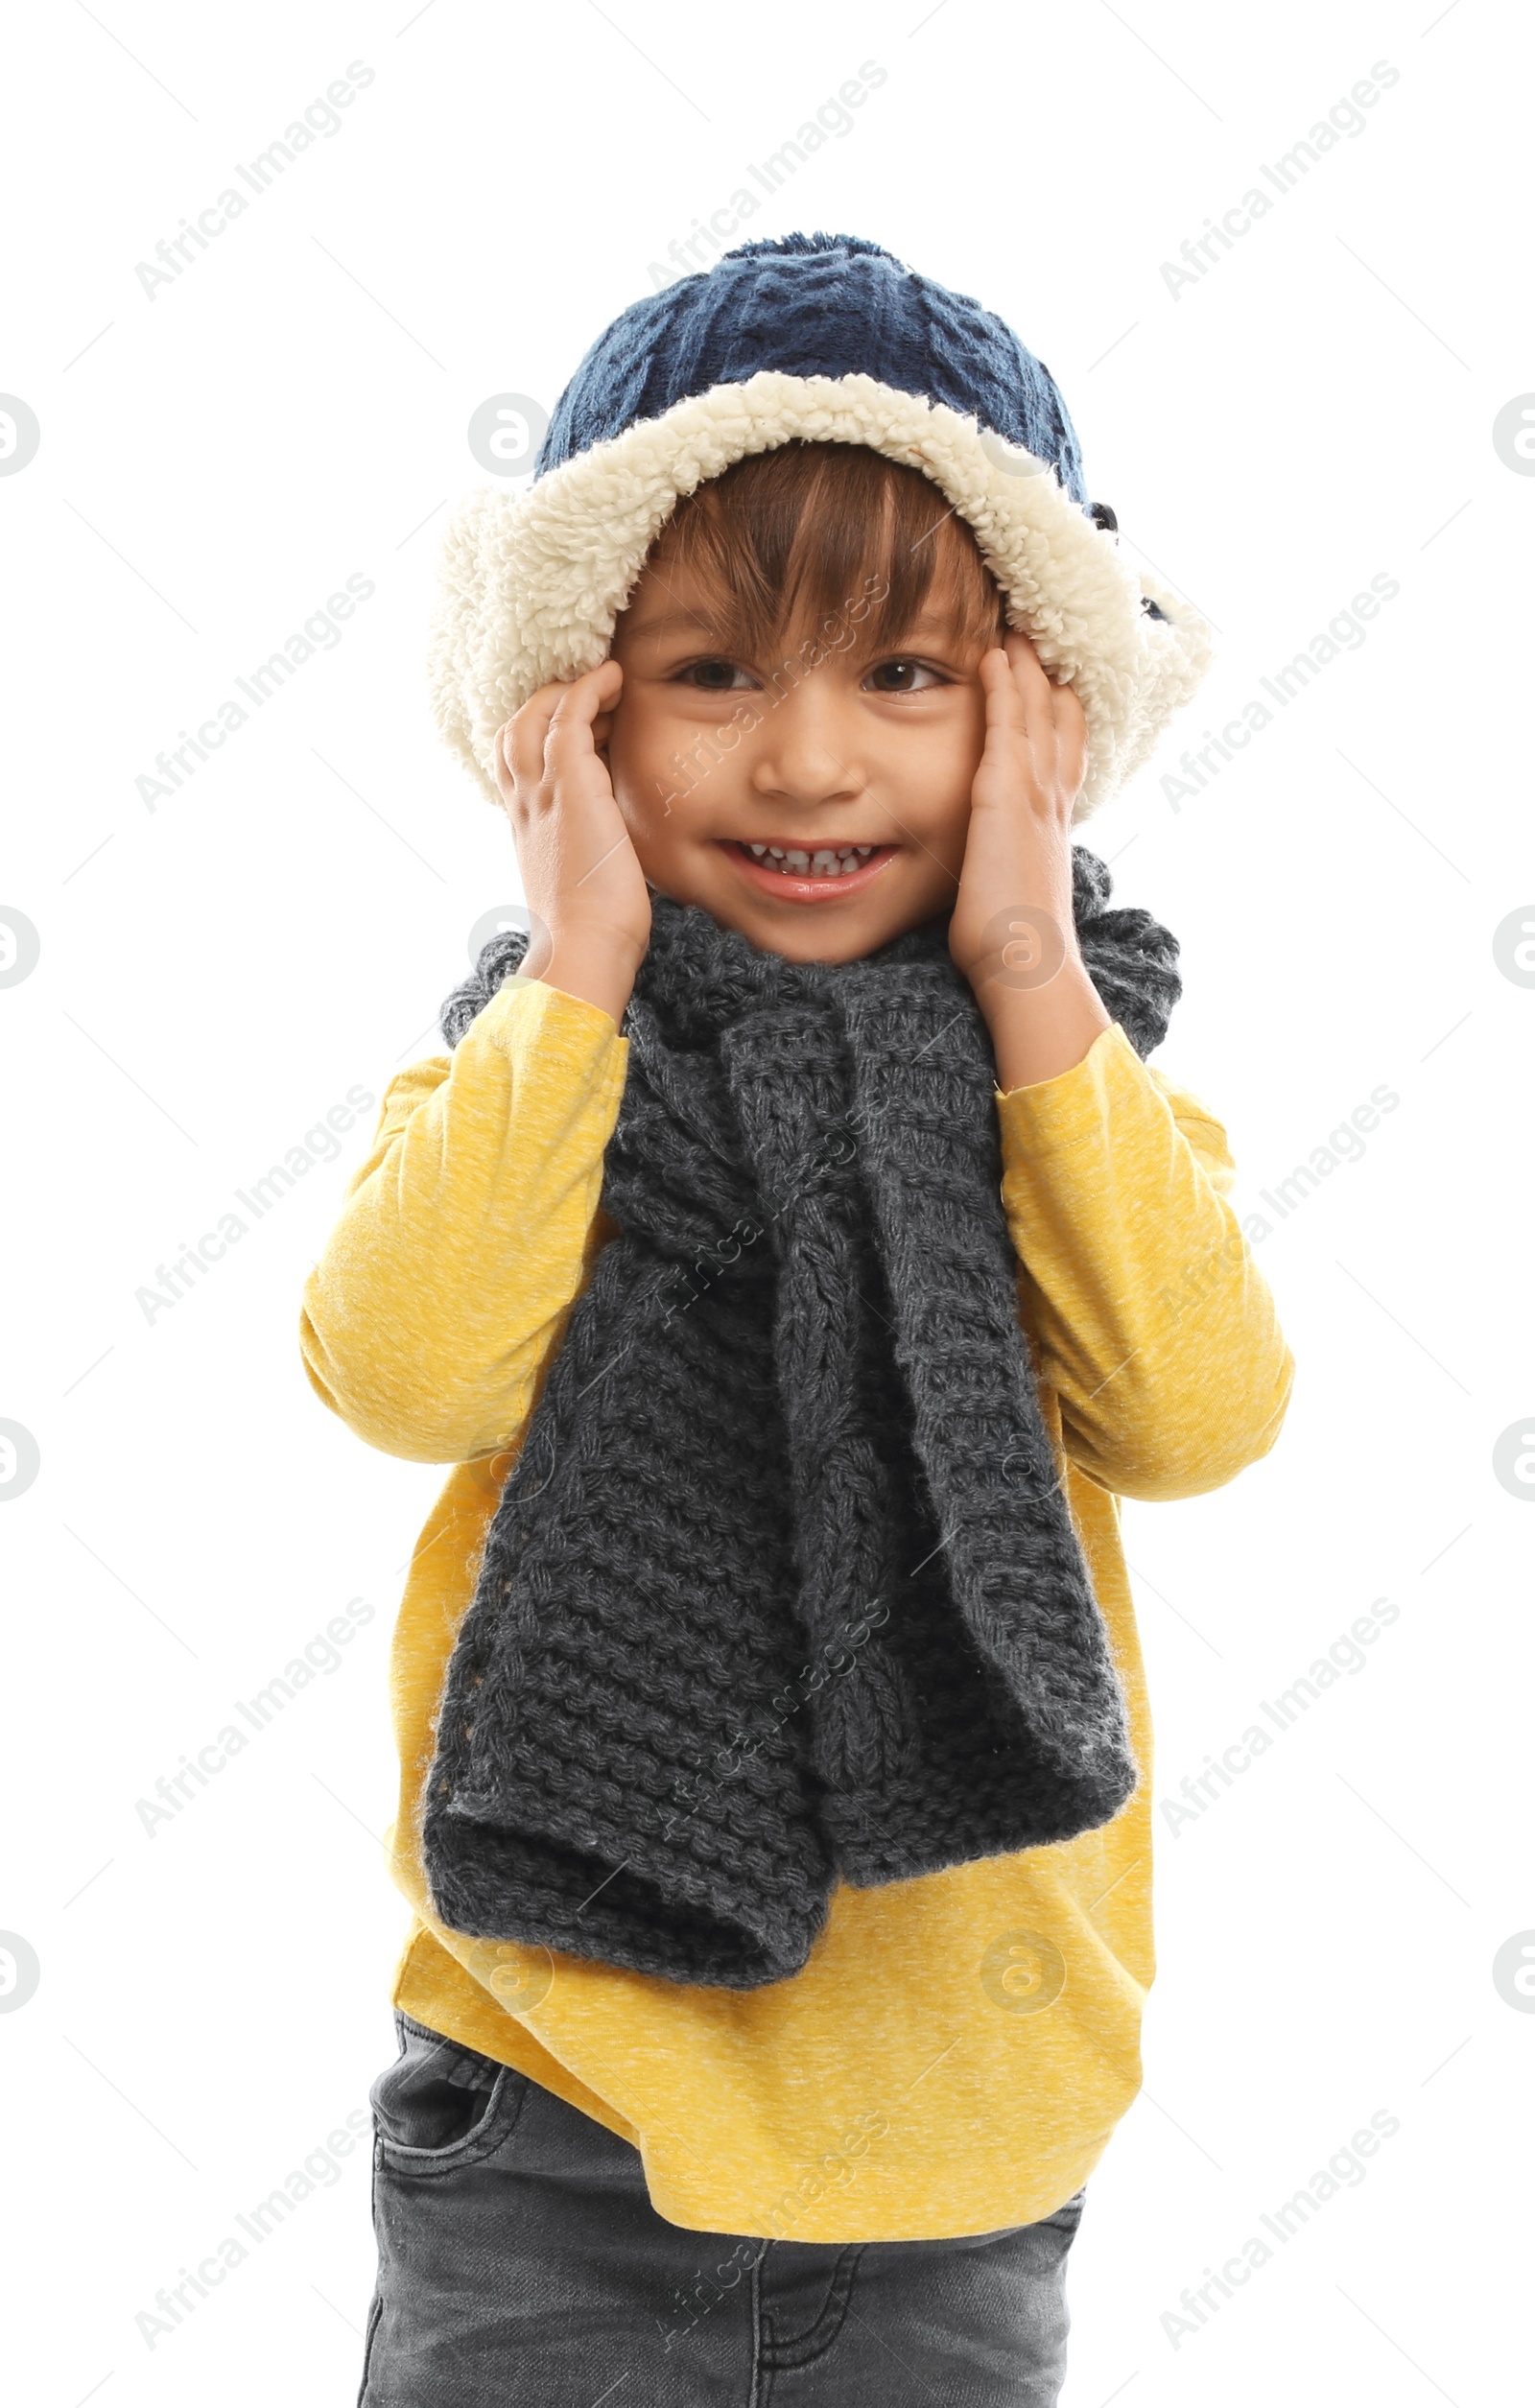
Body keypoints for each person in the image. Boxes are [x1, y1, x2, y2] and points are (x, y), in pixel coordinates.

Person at [300, 231, 1293, 2406]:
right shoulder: (520, 1080)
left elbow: (1197, 1410)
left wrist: (1028, 953)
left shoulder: (1082, 1103)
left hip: (960, 2146)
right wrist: (573, 959)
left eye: (909, 679)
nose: (811, 760)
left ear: (1041, 704)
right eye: (714, 673)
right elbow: (407, 1363)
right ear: (574, 701)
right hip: (555, 2118)